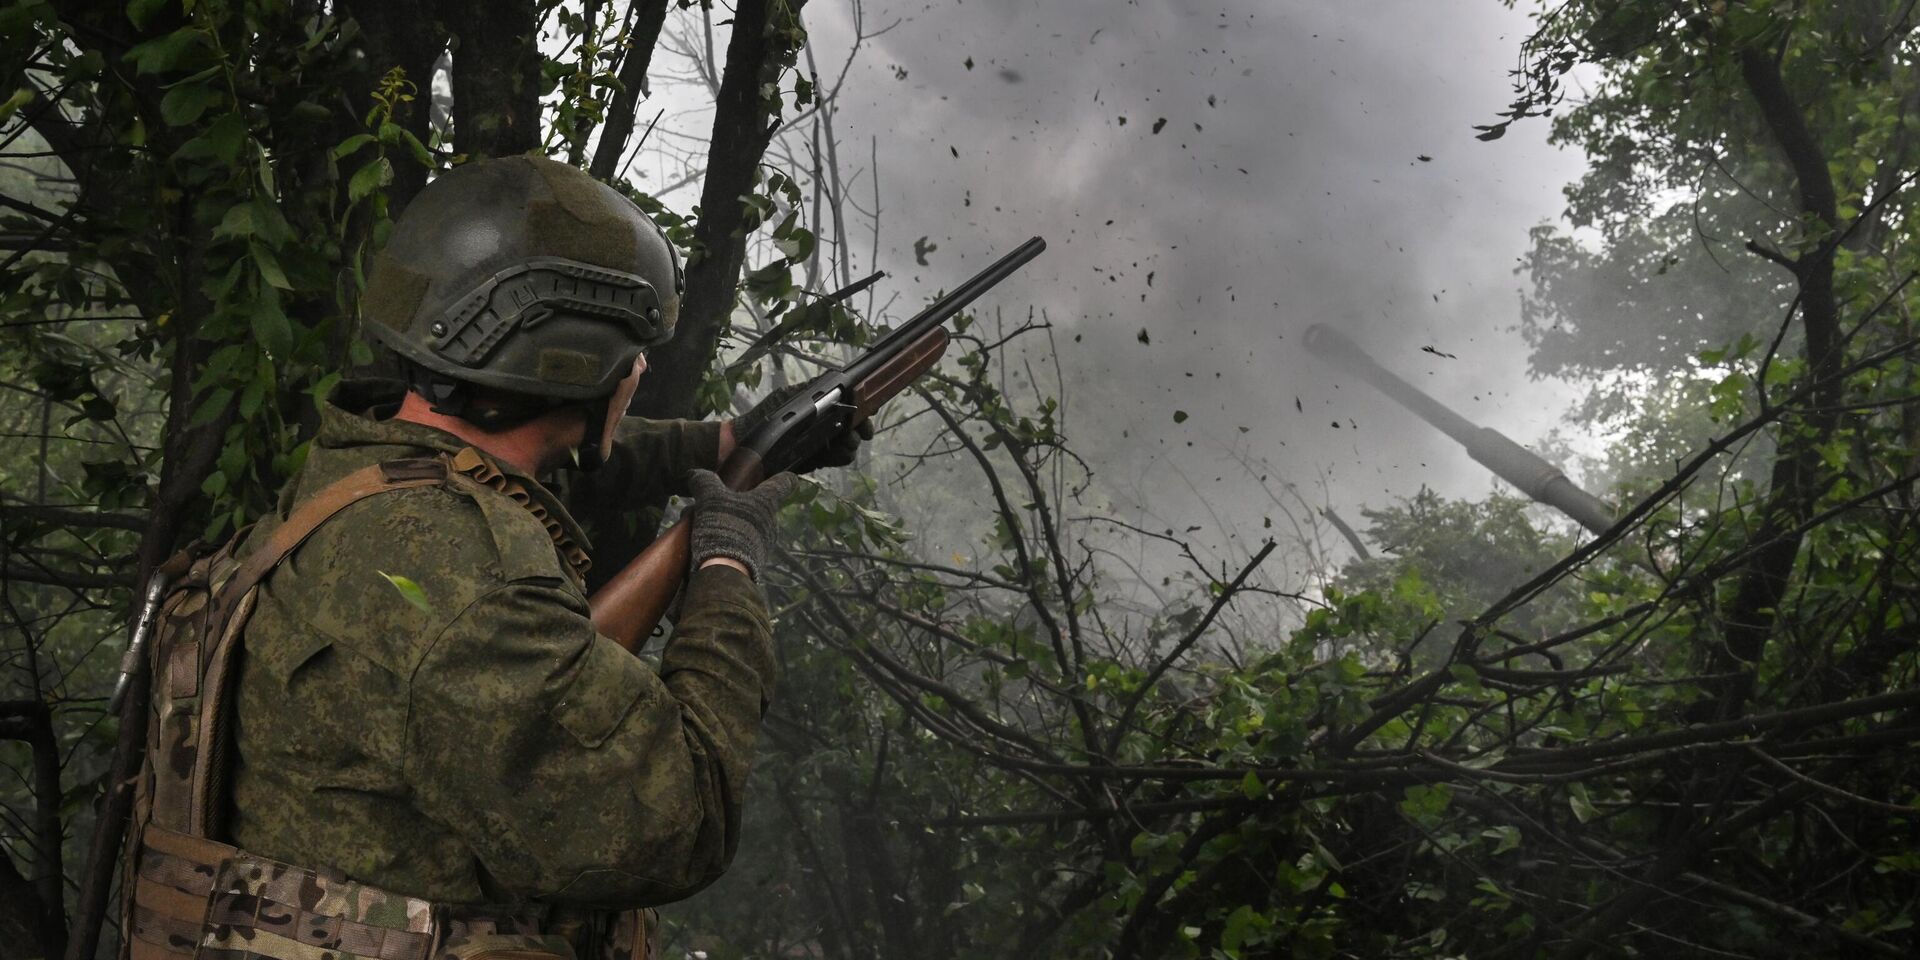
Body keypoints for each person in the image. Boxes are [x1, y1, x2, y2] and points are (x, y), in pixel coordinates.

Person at [217, 156, 835, 960]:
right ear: (573, 362)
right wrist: (727, 565)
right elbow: (677, 821)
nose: (640, 369)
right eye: (631, 353)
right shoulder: (477, 592)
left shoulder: (362, 473)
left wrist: (730, 443)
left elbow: (540, 456)